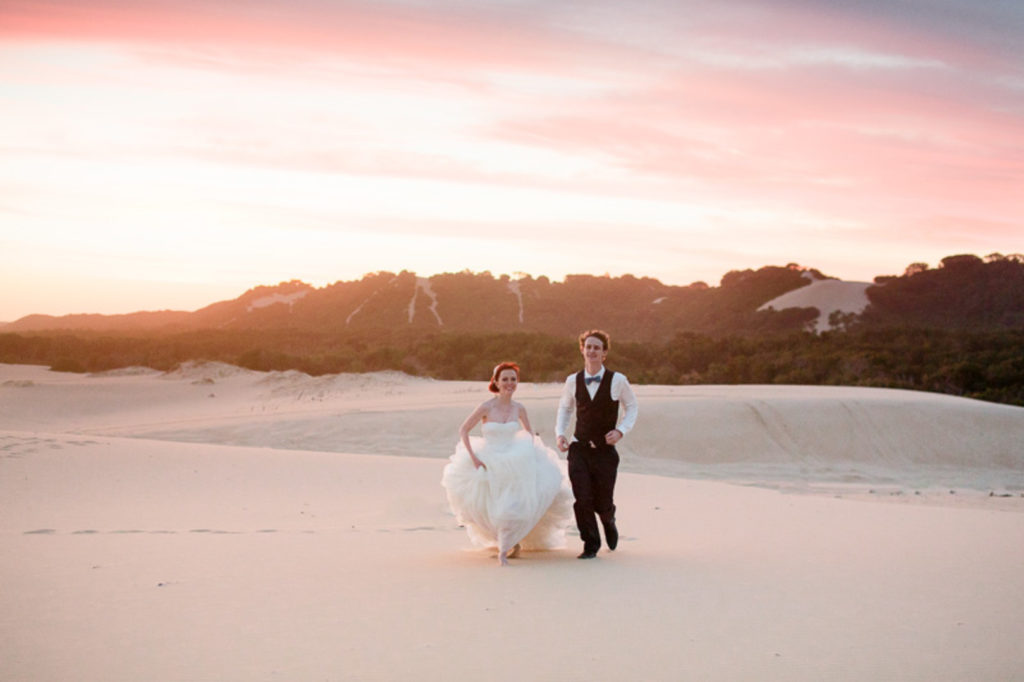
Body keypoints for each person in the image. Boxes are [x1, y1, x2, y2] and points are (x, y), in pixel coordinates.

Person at [442, 362, 573, 566]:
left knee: (515, 503)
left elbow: (528, 433)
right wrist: (474, 458)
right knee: (491, 506)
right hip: (490, 458)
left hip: (514, 458)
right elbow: (463, 430)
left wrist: (534, 452)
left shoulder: (519, 408)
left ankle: (507, 546)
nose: (509, 383)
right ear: (495, 382)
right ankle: (507, 542)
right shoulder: (486, 407)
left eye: (513, 379)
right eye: (505, 379)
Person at [556, 330, 638, 559]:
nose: (592, 351)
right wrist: (559, 433)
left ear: (604, 353)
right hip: (578, 448)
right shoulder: (573, 380)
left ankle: (608, 519)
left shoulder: (618, 380)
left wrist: (621, 430)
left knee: (602, 501)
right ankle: (590, 544)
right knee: (582, 498)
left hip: (605, 452)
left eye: (597, 347)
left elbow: (632, 407)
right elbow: (565, 408)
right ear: (582, 350)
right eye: (588, 346)